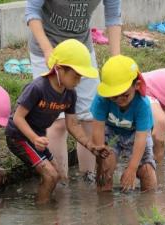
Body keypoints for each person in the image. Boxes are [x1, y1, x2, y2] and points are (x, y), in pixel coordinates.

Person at [25, 0, 122, 180]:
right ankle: (60, 182)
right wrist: (48, 51)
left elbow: (113, 15)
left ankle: (88, 178)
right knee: (58, 122)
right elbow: (31, 12)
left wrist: (116, 61)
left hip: (81, 50)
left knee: (90, 117)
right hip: (48, 47)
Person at [5, 39, 110, 204]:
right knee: (50, 175)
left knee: (58, 174)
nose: (78, 81)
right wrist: (34, 138)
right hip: (19, 136)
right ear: (59, 69)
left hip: (37, 138)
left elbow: (72, 124)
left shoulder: (70, 94)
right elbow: (18, 118)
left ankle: (47, 203)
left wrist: (90, 146)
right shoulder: (38, 87)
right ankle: (43, 214)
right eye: (76, 76)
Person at [91, 55, 157, 192]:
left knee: (147, 172)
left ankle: (149, 209)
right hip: (111, 132)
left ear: (137, 85)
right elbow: (98, 130)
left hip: (135, 134)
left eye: (125, 95)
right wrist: (101, 159)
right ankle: (105, 209)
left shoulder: (142, 104)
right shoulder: (101, 99)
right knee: (105, 170)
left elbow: (141, 138)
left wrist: (132, 169)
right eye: (114, 96)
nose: (119, 100)